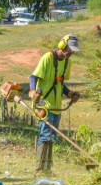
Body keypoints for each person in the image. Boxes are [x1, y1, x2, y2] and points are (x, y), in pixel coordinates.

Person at [28, 34, 81, 176]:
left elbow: (59, 82)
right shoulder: (48, 58)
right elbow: (33, 77)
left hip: (57, 105)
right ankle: (39, 170)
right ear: (62, 45)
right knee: (45, 135)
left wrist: (69, 93)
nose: (71, 52)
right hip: (44, 104)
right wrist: (33, 92)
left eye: (73, 50)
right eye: (70, 49)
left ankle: (48, 169)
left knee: (52, 137)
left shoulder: (67, 62)